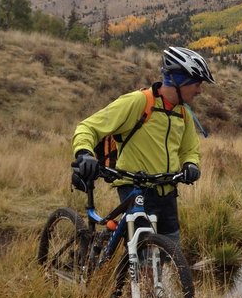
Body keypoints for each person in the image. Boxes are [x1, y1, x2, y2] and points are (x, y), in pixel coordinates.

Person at [72, 46, 215, 244]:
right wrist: (84, 153)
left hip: (167, 191)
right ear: (180, 81)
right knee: (143, 252)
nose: (200, 90)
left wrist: (191, 164)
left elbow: (190, 150)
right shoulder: (140, 102)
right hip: (134, 188)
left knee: (170, 250)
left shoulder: (183, 114)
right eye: (197, 83)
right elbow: (88, 127)